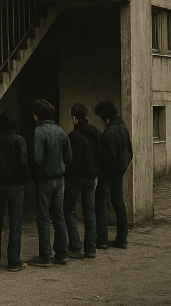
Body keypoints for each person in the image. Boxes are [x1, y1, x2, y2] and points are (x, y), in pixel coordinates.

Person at [0, 108, 29, 272]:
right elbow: (23, 164)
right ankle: (14, 261)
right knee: (16, 223)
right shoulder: (20, 140)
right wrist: (23, 180)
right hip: (16, 186)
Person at [28, 99, 73, 267]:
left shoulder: (39, 131)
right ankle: (62, 253)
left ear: (37, 115)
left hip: (44, 179)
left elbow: (37, 158)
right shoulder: (61, 131)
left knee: (44, 217)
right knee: (59, 216)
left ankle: (45, 256)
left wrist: (36, 173)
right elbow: (69, 157)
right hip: (59, 178)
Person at [64, 103, 101, 259]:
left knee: (69, 210)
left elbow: (69, 158)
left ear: (74, 118)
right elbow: (99, 153)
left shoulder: (73, 135)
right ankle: (91, 248)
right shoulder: (95, 133)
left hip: (75, 178)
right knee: (90, 211)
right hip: (91, 177)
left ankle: (75, 245)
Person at [94, 100, 133, 249]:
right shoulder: (123, 128)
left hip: (107, 173)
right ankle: (122, 238)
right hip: (119, 171)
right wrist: (122, 167)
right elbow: (129, 152)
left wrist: (101, 171)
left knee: (101, 202)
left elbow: (108, 156)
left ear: (104, 115)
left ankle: (102, 239)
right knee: (118, 202)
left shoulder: (109, 132)